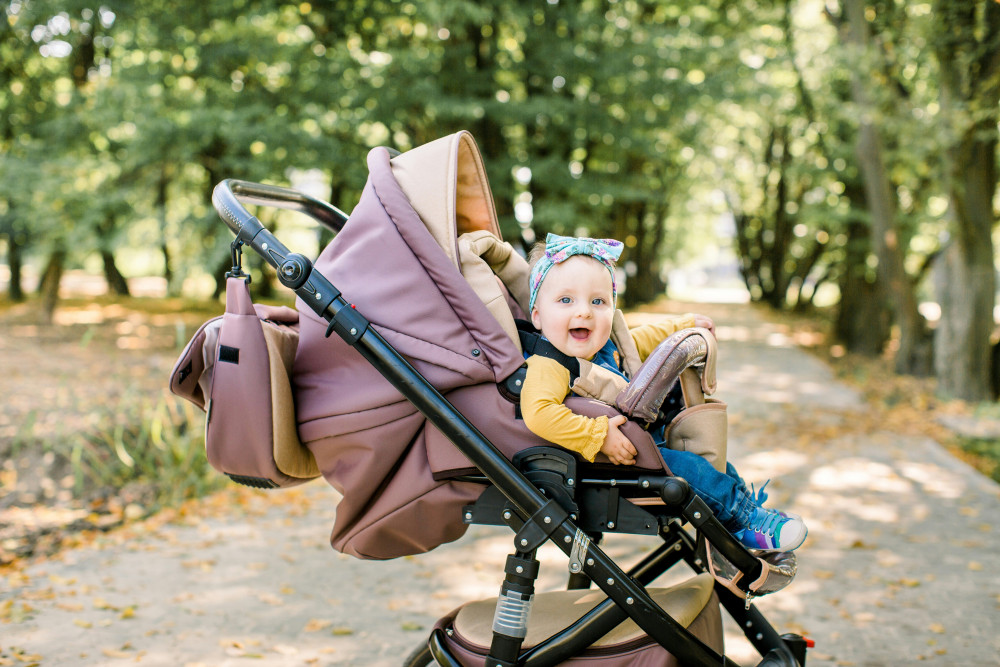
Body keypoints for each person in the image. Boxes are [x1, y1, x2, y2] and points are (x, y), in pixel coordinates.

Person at [520, 233, 807, 551]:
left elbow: (642, 339)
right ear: (537, 316)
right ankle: (745, 522)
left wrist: (683, 324)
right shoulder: (549, 364)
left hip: (641, 444)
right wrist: (597, 436)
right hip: (606, 462)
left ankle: (747, 513)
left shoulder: (604, 347)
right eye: (566, 300)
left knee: (711, 464)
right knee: (692, 470)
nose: (585, 312)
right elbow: (539, 413)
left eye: (597, 301)